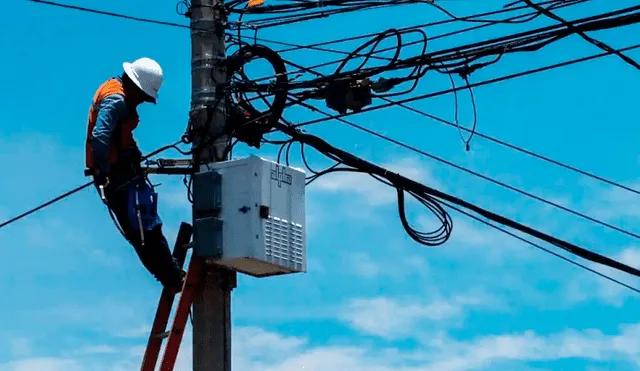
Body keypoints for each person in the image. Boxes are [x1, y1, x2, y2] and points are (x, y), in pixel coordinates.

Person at [84, 57, 185, 293]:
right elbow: (100, 137)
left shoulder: (114, 91)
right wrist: (104, 172)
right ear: (136, 86)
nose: (142, 102)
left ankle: (169, 274)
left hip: (120, 173)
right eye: (143, 96)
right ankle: (171, 276)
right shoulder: (116, 100)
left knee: (143, 230)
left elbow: (116, 136)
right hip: (118, 177)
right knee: (145, 230)